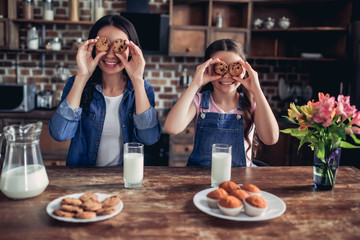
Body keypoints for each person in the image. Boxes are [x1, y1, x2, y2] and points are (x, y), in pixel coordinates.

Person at [49, 14, 161, 166]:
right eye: (104, 44)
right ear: (94, 48)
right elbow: (60, 134)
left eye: (119, 46)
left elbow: (149, 138)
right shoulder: (76, 84)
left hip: (124, 180)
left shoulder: (142, 87)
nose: (110, 54)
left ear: (131, 50)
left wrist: (137, 80)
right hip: (84, 180)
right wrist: (83, 76)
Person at [164, 39, 279, 166]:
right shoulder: (199, 101)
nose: (226, 75)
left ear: (244, 70)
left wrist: (257, 91)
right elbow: (172, 128)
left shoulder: (251, 103)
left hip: (239, 177)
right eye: (219, 68)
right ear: (207, 69)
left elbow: (271, 138)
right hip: (201, 176)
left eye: (234, 67)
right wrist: (195, 84)